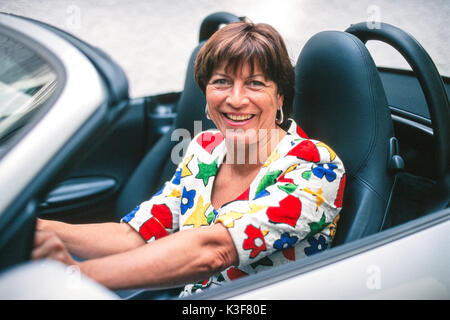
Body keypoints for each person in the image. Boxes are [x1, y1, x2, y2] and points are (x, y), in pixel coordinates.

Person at [33, 21, 345, 297]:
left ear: (279, 98)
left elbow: (214, 251)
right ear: (206, 97)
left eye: (255, 83)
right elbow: (139, 234)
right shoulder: (204, 148)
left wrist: (77, 277)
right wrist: (40, 230)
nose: (236, 99)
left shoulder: (315, 166)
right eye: (221, 81)